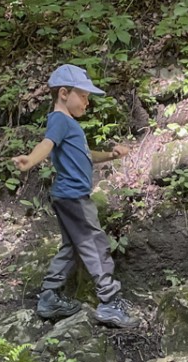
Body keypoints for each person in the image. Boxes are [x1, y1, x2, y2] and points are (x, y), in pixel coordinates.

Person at [12, 64, 139, 329]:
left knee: (72, 247)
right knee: (95, 244)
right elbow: (46, 145)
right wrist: (31, 160)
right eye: (83, 96)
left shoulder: (70, 126)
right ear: (63, 93)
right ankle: (109, 302)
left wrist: (111, 155)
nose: (86, 102)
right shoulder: (59, 120)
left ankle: (49, 297)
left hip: (67, 196)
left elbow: (87, 155)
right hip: (74, 197)